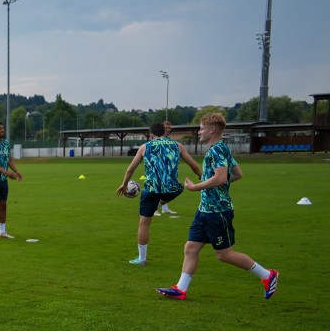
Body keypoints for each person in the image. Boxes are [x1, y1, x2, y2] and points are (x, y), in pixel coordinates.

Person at [156, 112, 279, 300]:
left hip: (217, 212)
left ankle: (268, 275)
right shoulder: (220, 148)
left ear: (212, 129)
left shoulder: (217, 150)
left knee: (224, 255)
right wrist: (218, 187)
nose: (199, 132)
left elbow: (221, 177)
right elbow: (237, 174)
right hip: (205, 210)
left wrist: (197, 187)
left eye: (201, 128)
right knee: (191, 248)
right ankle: (181, 289)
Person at [117, 122, 201, 265]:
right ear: (165, 132)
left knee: (144, 224)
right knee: (180, 186)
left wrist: (124, 184)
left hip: (151, 190)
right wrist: (202, 177)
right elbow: (193, 164)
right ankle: (161, 203)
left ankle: (142, 259)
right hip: (172, 189)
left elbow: (130, 169)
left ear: (151, 135)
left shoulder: (145, 147)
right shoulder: (177, 146)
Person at [160, 120, 177, 215]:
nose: (168, 130)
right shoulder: (157, 140)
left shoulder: (170, 141)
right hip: (159, 168)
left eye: (169, 128)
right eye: (166, 128)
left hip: (169, 168)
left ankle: (165, 208)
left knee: (167, 188)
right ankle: (154, 209)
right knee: (159, 188)